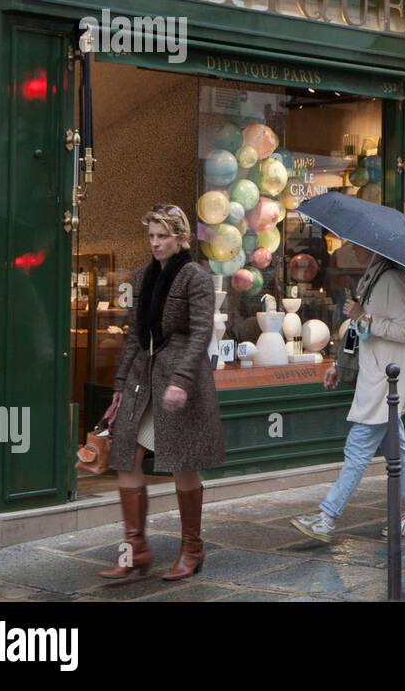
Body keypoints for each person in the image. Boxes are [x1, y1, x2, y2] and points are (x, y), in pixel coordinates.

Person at [101, 204, 225, 582]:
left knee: (183, 462)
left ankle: (192, 549)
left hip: (180, 381)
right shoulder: (141, 278)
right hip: (143, 380)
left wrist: (181, 381)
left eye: (162, 236)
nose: (155, 243)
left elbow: (201, 333)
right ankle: (135, 548)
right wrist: (120, 386)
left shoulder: (195, 277)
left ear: (181, 238)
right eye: (151, 236)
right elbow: (135, 339)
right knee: (126, 458)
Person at [292, 247, 405, 542]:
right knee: (399, 450)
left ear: (373, 248)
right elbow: (358, 331)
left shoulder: (392, 279)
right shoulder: (371, 278)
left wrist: (364, 317)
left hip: (385, 382)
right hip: (375, 378)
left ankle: (326, 518)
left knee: (357, 450)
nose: (351, 249)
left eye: (356, 245)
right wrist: (339, 366)